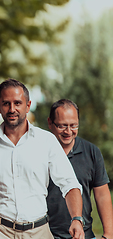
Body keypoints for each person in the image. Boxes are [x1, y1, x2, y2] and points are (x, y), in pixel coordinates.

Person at [0, 78, 85, 239]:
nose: (12, 109)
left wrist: (76, 218)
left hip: (38, 231)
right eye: (6, 103)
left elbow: (70, 184)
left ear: (28, 105)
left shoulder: (47, 141)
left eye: (17, 103)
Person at [47, 99, 113, 239]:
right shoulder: (39, 153)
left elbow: (102, 195)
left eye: (74, 125)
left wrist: (108, 234)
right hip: (46, 234)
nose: (68, 131)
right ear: (50, 123)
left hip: (83, 235)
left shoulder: (92, 151)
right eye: (62, 126)